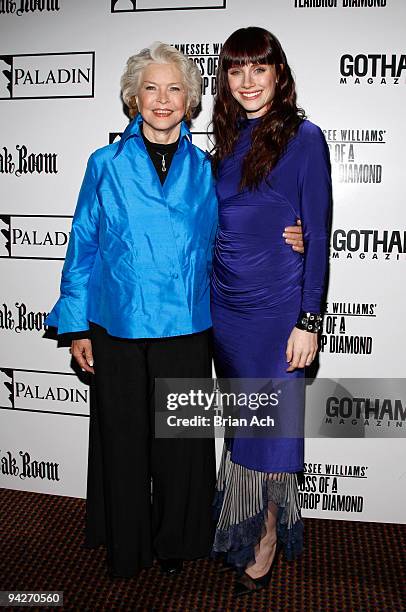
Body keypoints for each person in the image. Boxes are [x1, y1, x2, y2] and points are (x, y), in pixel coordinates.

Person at [45, 42, 304, 579]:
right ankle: (127, 543)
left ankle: (175, 544)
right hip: (115, 324)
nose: (162, 100)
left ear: (190, 101)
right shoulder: (104, 164)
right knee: (123, 439)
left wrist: (291, 237)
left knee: (180, 447)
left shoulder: (208, 169)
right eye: (151, 88)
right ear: (132, 97)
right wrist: (75, 326)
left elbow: (238, 226)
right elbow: (83, 244)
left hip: (188, 326)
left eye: (175, 89)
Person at [210, 27, 331, 596]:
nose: (248, 82)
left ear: (278, 74)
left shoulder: (306, 139)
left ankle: (265, 540)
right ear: (225, 80)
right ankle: (242, 525)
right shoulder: (221, 144)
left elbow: (321, 235)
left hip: (280, 311)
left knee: (274, 436)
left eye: (259, 69)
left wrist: (309, 321)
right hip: (227, 313)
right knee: (244, 432)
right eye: (236, 70)